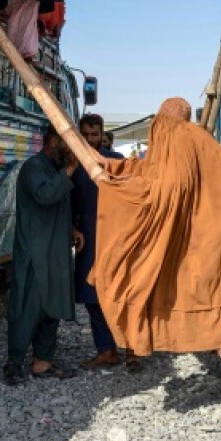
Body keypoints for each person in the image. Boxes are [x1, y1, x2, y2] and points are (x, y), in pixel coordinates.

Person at [5, 124, 80, 385]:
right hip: (35, 251)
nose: (69, 149)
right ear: (51, 142)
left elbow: (59, 205)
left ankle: (42, 362)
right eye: (66, 142)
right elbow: (45, 195)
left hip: (55, 250)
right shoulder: (34, 167)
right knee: (28, 306)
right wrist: (70, 170)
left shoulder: (53, 169)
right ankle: (13, 363)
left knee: (52, 306)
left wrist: (72, 229)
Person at [72, 114, 137, 370]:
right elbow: (71, 202)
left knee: (126, 295)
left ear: (102, 134)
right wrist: (73, 228)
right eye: (85, 135)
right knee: (92, 297)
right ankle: (107, 350)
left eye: (94, 134)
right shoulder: (74, 165)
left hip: (119, 239)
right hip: (89, 240)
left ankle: (134, 349)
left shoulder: (118, 162)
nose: (90, 140)